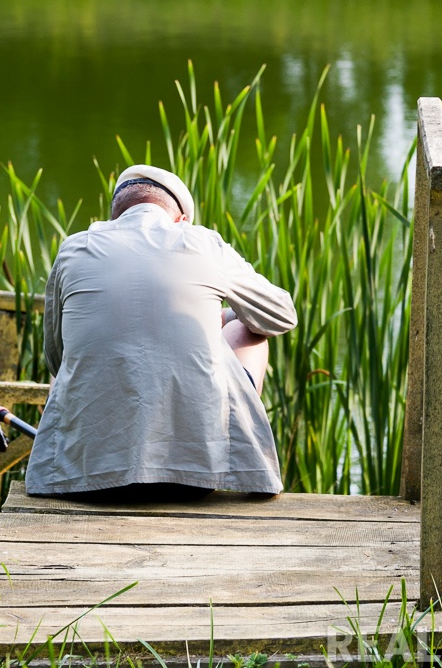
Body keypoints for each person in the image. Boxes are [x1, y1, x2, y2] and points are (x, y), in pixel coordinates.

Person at [26, 164, 297, 502]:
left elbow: (56, 357)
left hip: (89, 478)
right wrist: (225, 316)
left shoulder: (74, 249)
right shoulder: (203, 242)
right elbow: (281, 316)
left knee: (73, 363)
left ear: (115, 216)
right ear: (182, 219)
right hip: (194, 478)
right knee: (248, 328)